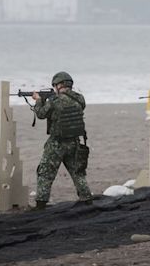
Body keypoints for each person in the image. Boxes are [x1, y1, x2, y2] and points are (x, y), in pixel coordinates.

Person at [31, 71, 92, 210]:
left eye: (55, 86)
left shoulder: (55, 101)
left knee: (45, 173)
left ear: (59, 85)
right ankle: (87, 199)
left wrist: (39, 100)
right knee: (77, 173)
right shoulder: (80, 99)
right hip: (75, 142)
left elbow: (41, 114)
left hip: (57, 143)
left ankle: (40, 205)